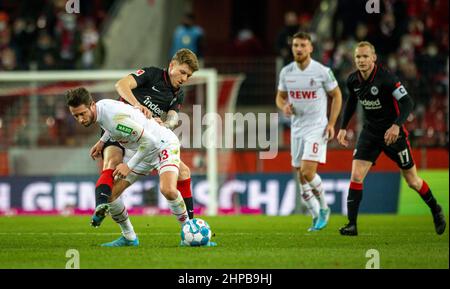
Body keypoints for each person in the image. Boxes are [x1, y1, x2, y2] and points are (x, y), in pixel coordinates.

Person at [337, 41, 446, 236]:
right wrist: (343, 127)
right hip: (370, 133)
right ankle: (352, 225)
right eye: (358, 57)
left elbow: (407, 102)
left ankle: (435, 209)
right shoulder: (353, 80)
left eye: (365, 56)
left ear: (374, 58)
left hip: (392, 135)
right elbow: (352, 102)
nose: (361, 60)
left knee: (412, 181)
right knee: (356, 176)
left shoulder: (387, 79)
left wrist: (396, 125)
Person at [66, 88, 197, 247]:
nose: (80, 119)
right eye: (76, 116)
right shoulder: (102, 107)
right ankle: (129, 237)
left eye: (82, 114)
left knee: (168, 189)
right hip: (141, 150)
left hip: (163, 145)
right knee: (110, 195)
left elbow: (150, 142)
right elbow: (111, 127)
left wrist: (129, 165)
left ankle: (189, 234)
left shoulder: (114, 118)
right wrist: (102, 142)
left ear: (92, 105)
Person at [90, 48, 199, 230]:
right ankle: (109, 214)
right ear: (172, 65)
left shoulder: (178, 93)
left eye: (188, 76)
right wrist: (137, 106)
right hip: (119, 127)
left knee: (184, 172)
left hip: (145, 136)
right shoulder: (151, 74)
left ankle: (191, 227)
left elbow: (173, 117)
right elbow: (121, 85)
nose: (184, 79)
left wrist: (165, 124)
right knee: (113, 163)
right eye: (182, 72)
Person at [276, 32, 343, 231]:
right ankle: (314, 213)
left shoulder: (322, 71)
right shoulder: (286, 72)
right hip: (297, 128)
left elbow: (337, 96)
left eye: (303, 45)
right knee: (300, 175)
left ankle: (324, 208)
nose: (298, 48)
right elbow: (279, 97)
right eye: (296, 45)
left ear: (310, 48)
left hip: (317, 127)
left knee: (307, 171)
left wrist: (331, 123)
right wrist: (284, 106)